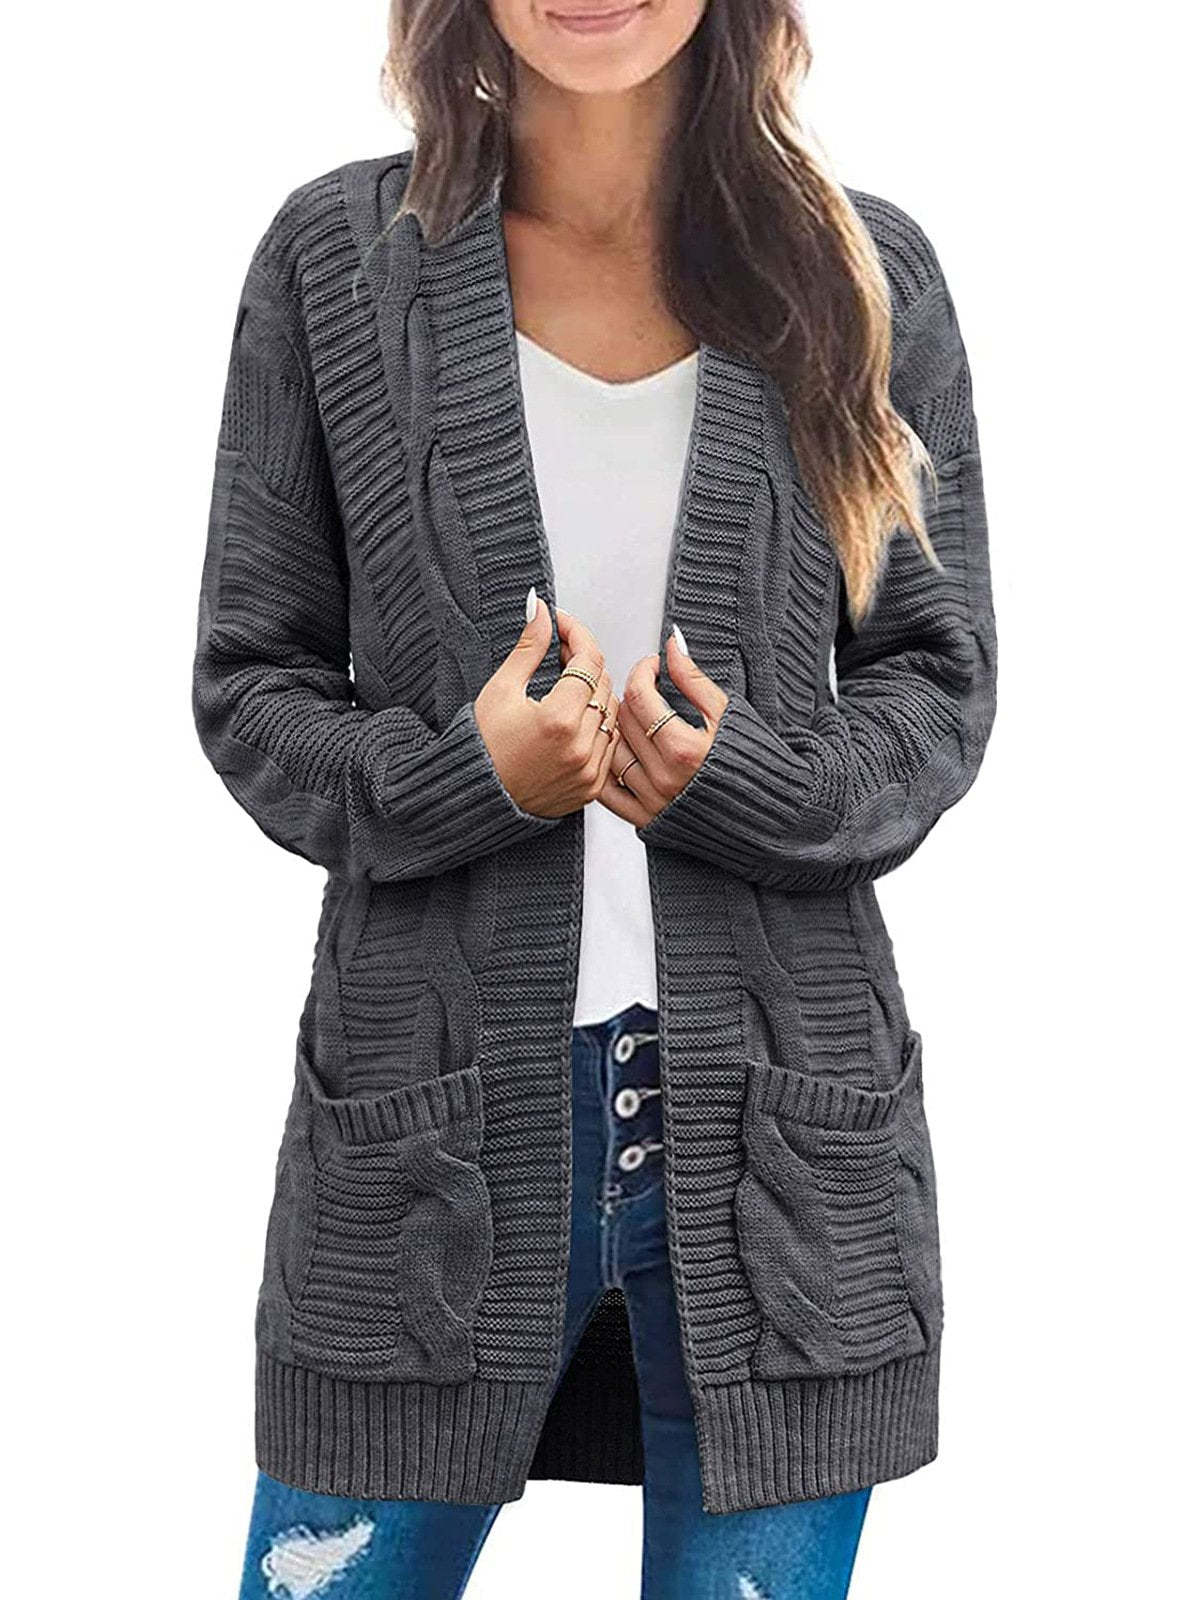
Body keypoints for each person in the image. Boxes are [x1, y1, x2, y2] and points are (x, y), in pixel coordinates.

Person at [192, 3, 997, 1595]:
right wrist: (466, 777)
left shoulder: (865, 274)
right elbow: (252, 687)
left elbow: (937, 685)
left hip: (783, 1149)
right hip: (423, 1143)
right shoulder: (335, 266)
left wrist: (744, 784)